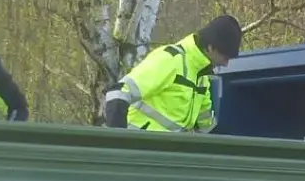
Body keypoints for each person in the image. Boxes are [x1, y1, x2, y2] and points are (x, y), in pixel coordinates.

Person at [102, 14, 242, 132]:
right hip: (138, 152)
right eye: (225, 57)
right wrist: (119, 144)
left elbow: (204, 119)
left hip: (166, 156)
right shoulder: (169, 60)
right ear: (210, 47)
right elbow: (118, 93)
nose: (226, 63)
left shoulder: (201, 76)